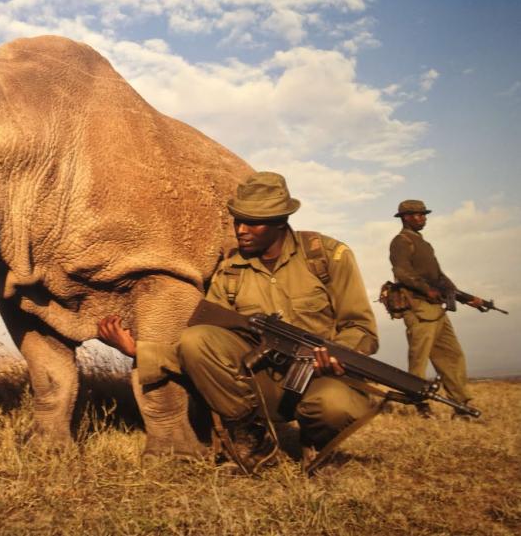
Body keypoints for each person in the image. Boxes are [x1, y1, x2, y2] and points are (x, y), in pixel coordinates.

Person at [98, 171, 378, 471]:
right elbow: (196, 351)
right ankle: (252, 441)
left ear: (280, 222)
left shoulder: (327, 257)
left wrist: (337, 354)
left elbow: (362, 329)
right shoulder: (230, 271)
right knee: (197, 338)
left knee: (334, 405)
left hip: (320, 380)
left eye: (252, 222)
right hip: (263, 384)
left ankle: (315, 442)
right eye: (237, 220)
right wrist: (138, 350)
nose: (241, 230)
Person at [389, 200, 481, 420]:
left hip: (436, 310)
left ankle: (461, 405)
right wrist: (426, 290)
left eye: (423, 214)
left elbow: (439, 277)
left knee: (452, 356)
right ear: (405, 217)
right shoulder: (401, 241)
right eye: (418, 215)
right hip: (418, 308)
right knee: (419, 361)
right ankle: (419, 405)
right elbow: (402, 273)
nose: (423, 218)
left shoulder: (424, 244)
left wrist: (466, 298)